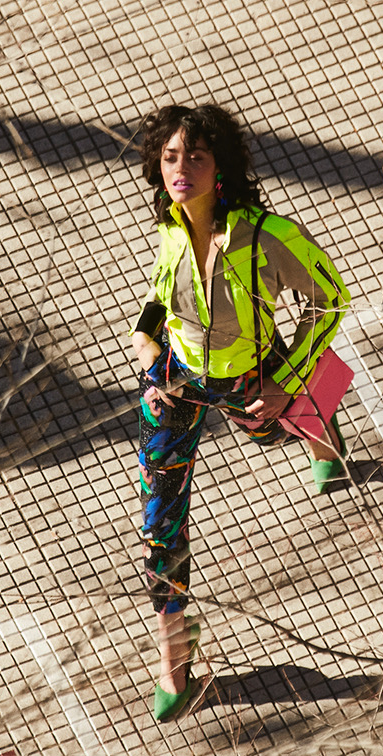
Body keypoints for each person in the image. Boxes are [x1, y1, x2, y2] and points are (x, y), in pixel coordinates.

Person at [131, 104, 350, 721]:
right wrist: (148, 352)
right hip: (174, 384)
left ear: (220, 167)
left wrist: (284, 383)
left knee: (277, 427)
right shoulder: (172, 226)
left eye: (196, 157)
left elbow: (329, 298)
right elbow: (158, 299)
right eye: (171, 157)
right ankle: (175, 650)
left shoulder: (264, 235)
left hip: (252, 373)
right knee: (161, 520)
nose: (181, 169)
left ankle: (321, 431)